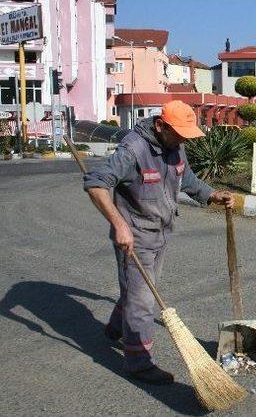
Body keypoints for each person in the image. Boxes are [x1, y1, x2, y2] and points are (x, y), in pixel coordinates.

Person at [83, 100, 234, 385]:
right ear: (160, 125)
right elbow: (95, 183)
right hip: (135, 236)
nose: (182, 139)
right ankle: (138, 362)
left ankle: (116, 328)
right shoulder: (133, 149)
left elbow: (185, 177)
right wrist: (119, 226)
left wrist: (212, 194)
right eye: (178, 133)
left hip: (162, 232)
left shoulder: (175, 145)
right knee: (142, 298)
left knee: (140, 290)